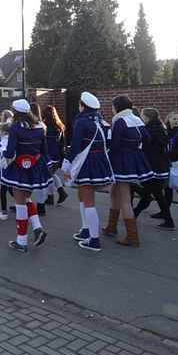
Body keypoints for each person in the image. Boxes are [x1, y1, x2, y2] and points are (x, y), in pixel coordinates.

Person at [62, 92, 114, 252]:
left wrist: (67, 163)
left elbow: (76, 145)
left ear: (83, 106)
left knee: (88, 200)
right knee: (83, 197)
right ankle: (86, 230)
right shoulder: (103, 122)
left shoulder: (82, 122)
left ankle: (94, 239)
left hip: (86, 164)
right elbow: (109, 143)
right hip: (100, 163)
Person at [0, 100, 52, 253]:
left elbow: (10, 152)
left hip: (19, 169)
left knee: (20, 204)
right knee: (27, 199)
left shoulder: (16, 128)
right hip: (35, 167)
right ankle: (37, 228)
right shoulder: (40, 127)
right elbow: (43, 150)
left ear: (16, 112)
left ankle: (21, 241)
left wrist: (4, 153)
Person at [105, 95, 153, 247]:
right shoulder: (136, 119)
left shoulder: (120, 121)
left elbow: (115, 145)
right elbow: (147, 139)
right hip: (133, 159)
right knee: (114, 192)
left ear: (117, 107)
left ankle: (132, 237)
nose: (112, 109)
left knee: (125, 199)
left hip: (121, 162)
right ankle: (111, 227)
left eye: (113, 106)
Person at [132, 108, 173, 229]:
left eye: (142, 116)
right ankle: (135, 214)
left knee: (155, 194)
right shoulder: (160, 129)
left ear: (147, 117)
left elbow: (144, 145)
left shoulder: (149, 130)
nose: (141, 118)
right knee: (153, 193)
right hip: (160, 166)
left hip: (153, 166)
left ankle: (169, 222)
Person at [42, 105, 69, 206]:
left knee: (48, 176)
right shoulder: (60, 126)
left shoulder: (44, 126)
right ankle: (60, 193)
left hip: (48, 155)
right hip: (57, 155)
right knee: (51, 175)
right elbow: (62, 143)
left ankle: (51, 196)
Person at [0, 120, 13, 221]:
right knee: (11, 189)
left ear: (5, 132)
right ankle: (25, 204)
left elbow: (2, 157)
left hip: (4, 171)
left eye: (0, 131)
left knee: (3, 190)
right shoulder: (11, 141)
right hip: (10, 170)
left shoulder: (3, 143)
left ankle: (4, 212)